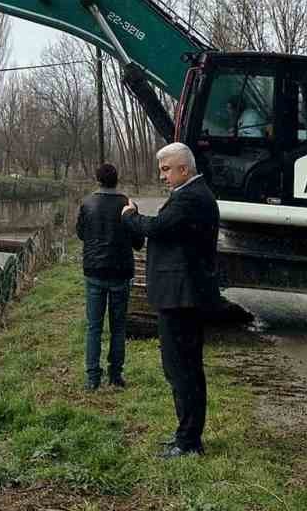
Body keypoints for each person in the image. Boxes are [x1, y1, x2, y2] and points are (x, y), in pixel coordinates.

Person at [120, 142, 219, 457]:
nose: (162, 176)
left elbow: (158, 227)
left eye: (166, 170)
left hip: (182, 297)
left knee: (182, 369)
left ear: (183, 169)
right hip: (182, 295)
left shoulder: (190, 198)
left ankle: (189, 442)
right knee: (182, 368)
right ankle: (185, 435)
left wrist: (130, 217)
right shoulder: (191, 195)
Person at [75, 161, 139, 390]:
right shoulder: (128, 205)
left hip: (94, 270)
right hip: (121, 271)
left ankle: (92, 378)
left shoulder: (87, 203)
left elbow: (81, 234)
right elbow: (138, 242)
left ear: (98, 179)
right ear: (117, 179)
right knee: (118, 326)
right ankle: (116, 376)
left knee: (93, 326)